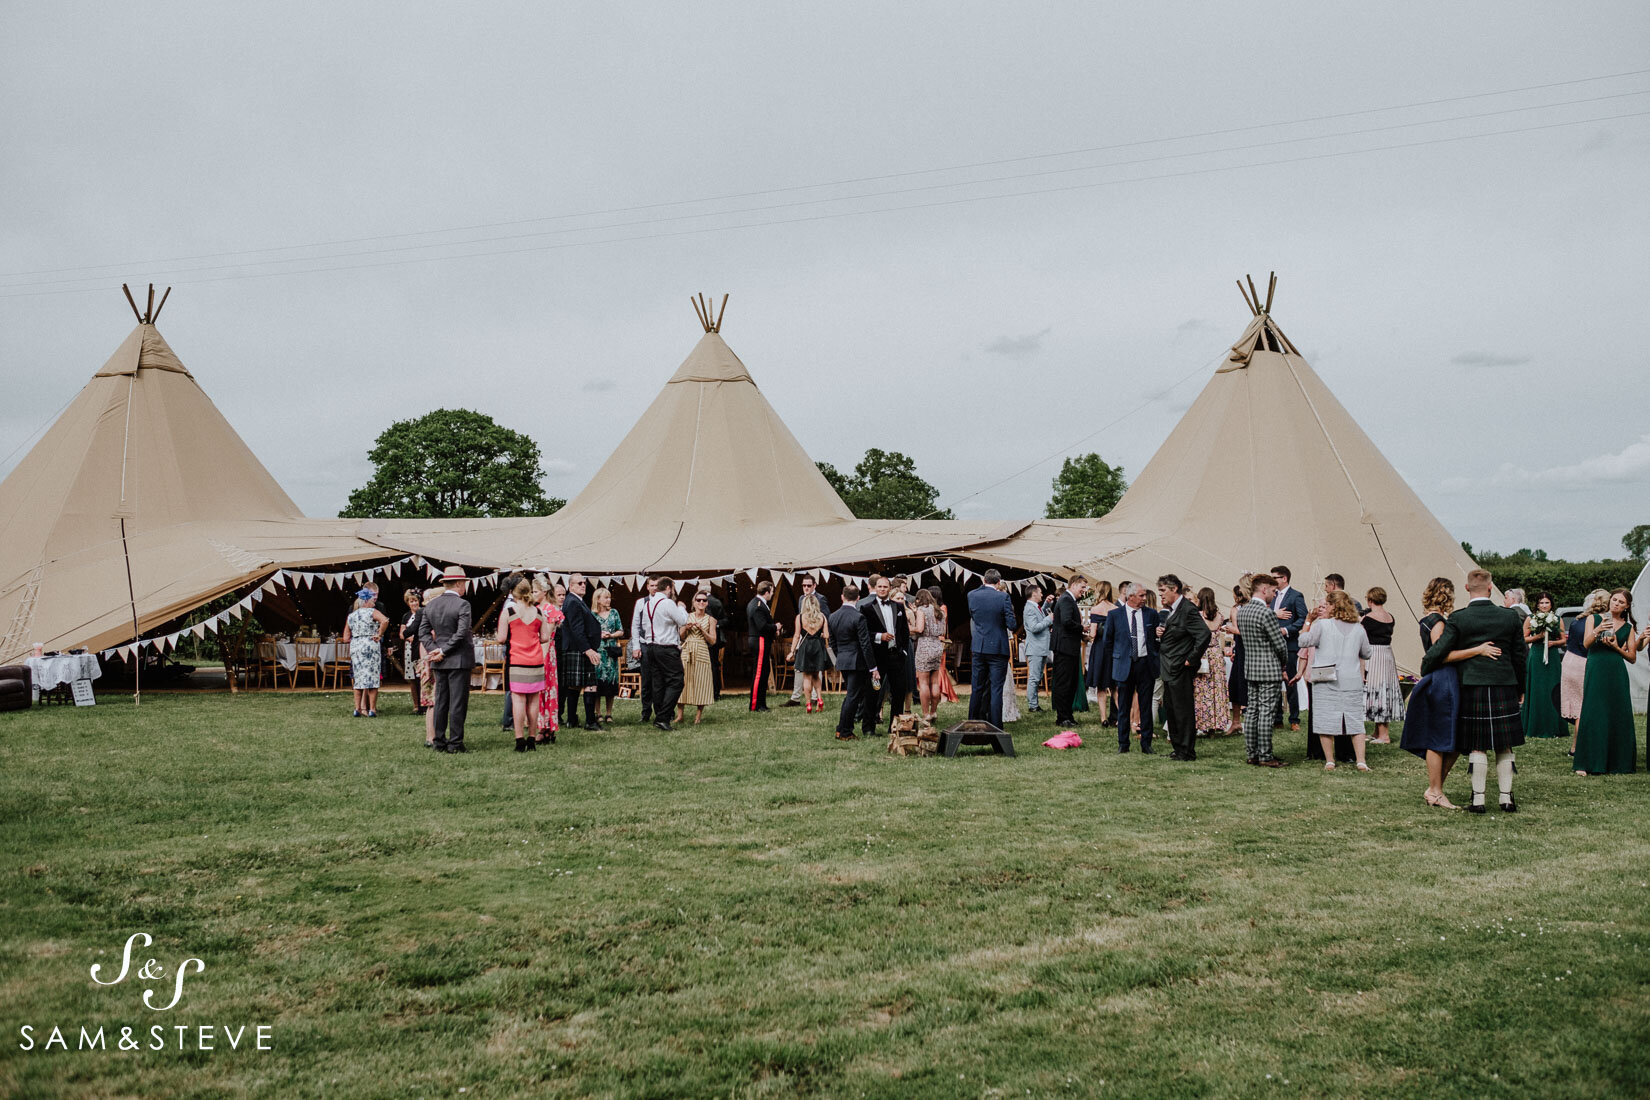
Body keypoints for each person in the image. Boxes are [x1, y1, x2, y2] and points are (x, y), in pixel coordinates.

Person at [1421, 570, 1528, 813]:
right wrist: (1521, 687)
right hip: (1504, 684)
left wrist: (1426, 666)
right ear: (1491, 589)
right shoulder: (1510, 617)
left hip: (1471, 686)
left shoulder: (1460, 618)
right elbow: (1521, 656)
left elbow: (1437, 653)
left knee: (1477, 743)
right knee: (1505, 744)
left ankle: (1478, 800)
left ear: (1467, 589)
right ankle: (1506, 798)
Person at [1402, 578, 1462, 807]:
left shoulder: (1430, 619)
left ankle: (1435, 788)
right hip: (1443, 678)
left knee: (1454, 740)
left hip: (1443, 678)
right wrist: (1476, 650)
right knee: (1439, 738)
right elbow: (1440, 654)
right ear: (1446, 594)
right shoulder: (1437, 621)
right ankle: (1436, 791)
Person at [1299, 591, 1374, 770]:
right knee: (1355, 720)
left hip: (1326, 678)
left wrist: (1308, 621)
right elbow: (1367, 653)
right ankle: (1361, 760)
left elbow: (1303, 641)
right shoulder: (1359, 628)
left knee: (1325, 719)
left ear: (1333, 606)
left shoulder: (1323, 625)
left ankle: (1330, 760)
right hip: (1352, 679)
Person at [1573, 589, 1639, 775]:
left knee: (1617, 713)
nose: (1616, 604)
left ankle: (1618, 762)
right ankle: (1587, 762)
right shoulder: (1594, 619)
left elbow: (1632, 657)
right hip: (1595, 667)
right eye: (1614, 600)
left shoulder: (1628, 628)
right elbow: (1585, 644)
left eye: (1621, 602)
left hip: (1616, 671)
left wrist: (1616, 647)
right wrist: (1597, 631)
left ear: (1626, 607)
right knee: (1593, 711)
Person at [1097, 582, 1160, 754]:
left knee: (1145, 705)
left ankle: (1146, 744)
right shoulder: (1115, 615)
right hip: (1124, 664)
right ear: (1130, 596)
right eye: (1141, 595)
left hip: (1145, 664)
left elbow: (1155, 640)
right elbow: (1107, 641)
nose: (1144, 599)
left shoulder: (1151, 614)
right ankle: (1123, 743)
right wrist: (1118, 658)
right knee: (1123, 706)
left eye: (1145, 595)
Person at [418, 566, 475, 753]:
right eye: (464, 583)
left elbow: (423, 633)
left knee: (441, 701)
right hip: (458, 659)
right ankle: (456, 743)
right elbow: (461, 633)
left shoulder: (431, 605)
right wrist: (442, 650)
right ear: (459, 583)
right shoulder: (463, 605)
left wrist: (435, 650)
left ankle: (439, 741)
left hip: (439, 661)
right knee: (457, 703)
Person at [1234, 571, 1288, 767]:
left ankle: (1252, 753)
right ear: (1264, 589)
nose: (1274, 594)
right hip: (1268, 668)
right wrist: (1284, 663)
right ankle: (1265, 755)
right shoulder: (1266, 613)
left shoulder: (1243, 611)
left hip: (1251, 667)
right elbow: (1279, 644)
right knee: (1266, 713)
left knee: (1253, 712)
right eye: (1273, 591)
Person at [1156, 575, 1211, 762]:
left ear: (1174, 589)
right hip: (1168, 667)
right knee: (1171, 709)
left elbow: (1204, 634)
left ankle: (1187, 750)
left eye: (1163, 591)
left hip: (1180, 667)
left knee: (1183, 710)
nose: (1160, 595)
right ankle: (1178, 747)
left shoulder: (1188, 609)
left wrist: (1191, 659)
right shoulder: (1170, 610)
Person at [498, 577, 550, 752]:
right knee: (534, 701)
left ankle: (519, 739)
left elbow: (501, 638)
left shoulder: (509, 612)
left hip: (517, 660)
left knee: (518, 701)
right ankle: (532, 738)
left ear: (514, 592)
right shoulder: (538, 613)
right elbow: (545, 637)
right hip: (535, 660)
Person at [858, 576, 911, 733]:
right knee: (873, 692)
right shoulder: (867, 608)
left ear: (889, 588)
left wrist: (904, 651)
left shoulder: (899, 607)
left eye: (885, 587)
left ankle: (895, 728)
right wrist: (880, 636)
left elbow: (904, 632)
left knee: (898, 693)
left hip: (896, 656)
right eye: (879, 586)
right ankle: (868, 728)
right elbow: (865, 633)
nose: (882, 589)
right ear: (875, 588)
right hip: (878, 657)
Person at [1561, 589, 1611, 753]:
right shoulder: (1601, 621)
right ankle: (1578, 747)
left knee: (1577, 709)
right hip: (1584, 663)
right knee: (1584, 708)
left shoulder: (1577, 619)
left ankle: (1575, 747)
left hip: (1569, 661)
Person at [966, 569, 1017, 728]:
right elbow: (1012, 625)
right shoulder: (1003, 597)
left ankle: (972, 722)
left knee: (977, 687)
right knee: (996, 689)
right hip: (997, 648)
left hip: (979, 646)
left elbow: (975, 617)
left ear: (984, 580)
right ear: (999, 582)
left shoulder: (972, 595)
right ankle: (996, 725)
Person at [828, 585, 876, 740]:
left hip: (843, 659)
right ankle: (845, 731)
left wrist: (840, 655)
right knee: (853, 696)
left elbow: (832, 642)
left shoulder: (833, 616)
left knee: (851, 695)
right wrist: (872, 666)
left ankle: (841, 728)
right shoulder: (858, 617)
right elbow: (865, 644)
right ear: (858, 598)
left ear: (842, 596)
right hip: (857, 661)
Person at [641, 577, 689, 731]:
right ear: (668, 588)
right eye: (673, 589)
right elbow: (683, 621)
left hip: (651, 647)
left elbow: (644, 625)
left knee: (658, 683)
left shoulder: (648, 604)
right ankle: (663, 717)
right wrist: (681, 607)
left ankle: (660, 717)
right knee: (676, 681)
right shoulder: (668, 603)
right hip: (667, 647)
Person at [1519, 591, 1566, 740]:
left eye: (1547, 602)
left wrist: (1553, 643)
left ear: (1551, 604)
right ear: (1537, 605)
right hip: (1537, 655)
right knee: (1537, 688)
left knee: (1553, 688)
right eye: (1541, 603)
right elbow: (1523, 639)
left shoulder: (1557, 619)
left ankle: (1554, 726)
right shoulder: (1530, 619)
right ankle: (1535, 724)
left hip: (1552, 656)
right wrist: (1537, 637)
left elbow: (1563, 640)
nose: (1544, 605)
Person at [559, 574, 603, 732]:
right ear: (571, 586)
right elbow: (577, 629)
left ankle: (572, 719)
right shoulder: (573, 602)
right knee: (590, 684)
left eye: (584, 583)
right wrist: (587, 649)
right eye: (579, 583)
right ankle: (590, 721)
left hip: (575, 648)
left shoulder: (575, 600)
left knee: (574, 686)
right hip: (579, 648)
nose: (583, 585)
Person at [1361, 588, 1401, 744]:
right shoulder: (1390, 617)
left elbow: (1362, 639)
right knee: (1385, 689)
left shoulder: (1367, 619)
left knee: (1377, 692)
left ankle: (1384, 735)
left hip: (1374, 654)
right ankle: (1378, 732)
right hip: (1387, 655)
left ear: (1370, 600)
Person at [1271, 565, 1309, 730]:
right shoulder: (1271, 597)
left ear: (1284, 578)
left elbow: (1303, 618)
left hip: (1289, 643)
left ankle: (1294, 719)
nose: (1272, 581)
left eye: (1275, 578)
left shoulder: (1296, 596)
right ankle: (1277, 718)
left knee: (1290, 681)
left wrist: (1286, 629)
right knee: (1274, 681)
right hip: (1272, 644)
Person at [1191, 587, 1231, 737]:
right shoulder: (1219, 616)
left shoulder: (1198, 615)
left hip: (1203, 653)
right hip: (1216, 654)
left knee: (1202, 690)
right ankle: (1215, 724)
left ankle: (1202, 723)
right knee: (1217, 690)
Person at [343, 589, 390, 717]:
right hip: (370, 644)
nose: (374, 602)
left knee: (358, 678)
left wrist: (357, 638)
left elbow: (345, 638)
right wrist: (379, 633)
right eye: (372, 600)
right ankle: (372, 709)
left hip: (356, 646)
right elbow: (385, 620)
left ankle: (357, 709)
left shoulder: (351, 616)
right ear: (367, 601)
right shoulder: (372, 612)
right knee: (373, 677)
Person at [1049, 576, 1088, 728]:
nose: (1084, 591)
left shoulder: (1068, 599)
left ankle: (1068, 715)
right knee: (1064, 683)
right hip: (1064, 648)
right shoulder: (1066, 599)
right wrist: (1082, 628)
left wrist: (1082, 635)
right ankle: (1063, 717)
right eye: (1082, 587)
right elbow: (1066, 621)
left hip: (1068, 647)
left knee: (1070, 683)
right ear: (1073, 585)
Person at [789, 576, 830, 713]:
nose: (806, 588)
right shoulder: (822, 617)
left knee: (806, 676)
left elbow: (796, 635)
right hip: (818, 645)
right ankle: (819, 698)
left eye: (808, 585)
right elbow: (827, 635)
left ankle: (808, 704)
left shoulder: (800, 617)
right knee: (816, 675)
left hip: (806, 645)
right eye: (804, 585)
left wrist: (792, 651)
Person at [678, 589, 718, 725]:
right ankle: (680, 715)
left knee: (701, 681)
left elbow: (713, 640)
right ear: (694, 603)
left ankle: (698, 717)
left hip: (701, 650)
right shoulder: (686, 616)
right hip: (687, 649)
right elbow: (681, 636)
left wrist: (702, 630)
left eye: (704, 600)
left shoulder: (711, 620)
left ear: (707, 603)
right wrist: (686, 628)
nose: (701, 602)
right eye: (698, 600)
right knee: (683, 681)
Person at [909, 588, 947, 724]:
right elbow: (943, 630)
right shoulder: (940, 611)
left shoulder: (922, 611)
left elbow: (919, 629)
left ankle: (926, 715)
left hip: (925, 645)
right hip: (937, 645)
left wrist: (908, 627)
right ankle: (934, 711)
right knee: (935, 682)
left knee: (924, 683)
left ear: (919, 600)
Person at [533, 576, 563, 743]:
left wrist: (542, 658)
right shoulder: (535, 609)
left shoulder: (551, 610)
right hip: (535, 650)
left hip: (546, 652)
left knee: (547, 689)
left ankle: (548, 727)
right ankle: (541, 725)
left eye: (535, 591)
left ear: (544, 592)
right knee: (538, 691)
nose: (533, 594)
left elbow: (547, 637)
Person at [1085, 581, 1117, 726]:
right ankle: (1122, 717)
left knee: (1101, 687)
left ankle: (1103, 718)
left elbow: (1093, 633)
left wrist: (1086, 635)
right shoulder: (1116, 608)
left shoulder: (1096, 609)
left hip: (1099, 649)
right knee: (1115, 686)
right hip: (1113, 649)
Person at [747, 580, 779, 713]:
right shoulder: (758, 605)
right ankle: (755, 705)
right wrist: (775, 627)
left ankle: (762, 703)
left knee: (764, 672)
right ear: (766, 592)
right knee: (759, 673)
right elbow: (762, 626)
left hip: (761, 640)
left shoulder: (758, 603)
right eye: (771, 592)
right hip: (759, 640)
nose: (772, 594)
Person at [592, 587, 623, 724]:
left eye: (609, 597)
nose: (608, 600)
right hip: (598, 651)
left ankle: (609, 713)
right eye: (606, 597)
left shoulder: (614, 613)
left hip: (610, 651)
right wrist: (598, 635)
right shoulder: (592, 614)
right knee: (597, 682)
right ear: (598, 599)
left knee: (611, 682)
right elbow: (589, 632)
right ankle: (597, 713)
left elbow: (620, 630)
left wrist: (611, 635)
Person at [629, 577, 658, 722]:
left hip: (660, 645)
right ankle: (645, 713)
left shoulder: (665, 602)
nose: (654, 588)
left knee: (660, 680)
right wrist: (636, 647)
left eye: (657, 585)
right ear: (647, 587)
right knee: (646, 681)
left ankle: (662, 712)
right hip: (645, 644)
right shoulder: (641, 602)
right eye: (652, 585)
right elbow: (635, 625)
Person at [417, 586, 443, 746]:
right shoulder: (433, 618)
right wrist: (426, 663)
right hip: (431, 663)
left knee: (431, 703)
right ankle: (431, 736)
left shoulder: (427, 617)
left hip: (426, 661)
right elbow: (425, 642)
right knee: (434, 701)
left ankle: (430, 736)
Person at [1022, 583, 1052, 712]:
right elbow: (1034, 627)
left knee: (1038, 676)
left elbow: (1039, 616)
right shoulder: (1029, 608)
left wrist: (1046, 604)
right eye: (1040, 592)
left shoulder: (1035, 607)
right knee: (1034, 678)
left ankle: (1035, 704)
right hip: (1035, 648)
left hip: (1040, 647)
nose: (1041, 594)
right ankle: (1032, 706)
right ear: (1034, 594)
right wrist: (1049, 619)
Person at [1223, 585, 1247, 736]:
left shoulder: (1244, 609)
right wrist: (1229, 647)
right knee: (1235, 684)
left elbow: (1236, 630)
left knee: (1245, 684)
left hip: (1248, 649)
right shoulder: (1235, 609)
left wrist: (1231, 631)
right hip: (1240, 649)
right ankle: (1236, 721)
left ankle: (1245, 720)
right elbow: (1231, 635)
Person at [399, 589, 426, 715]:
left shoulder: (424, 612)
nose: (414, 603)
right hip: (409, 648)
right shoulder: (406, 616)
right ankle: (416, 705)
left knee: (422, 675)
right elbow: (402, 634)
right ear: (408, 603)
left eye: (415, 600)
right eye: (411, 601)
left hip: (421, 646)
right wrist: (409, 637)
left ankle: (424, 702)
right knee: (412, 678)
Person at [706, 587, 730, 700]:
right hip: (714, 640)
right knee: (714, 665)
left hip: (711, 639)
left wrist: (714, 625)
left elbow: (725, 620)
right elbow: (726, 620)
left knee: (712, 665)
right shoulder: (717, 601)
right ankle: (715, 692)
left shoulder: (708, 601)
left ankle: (713, 692)